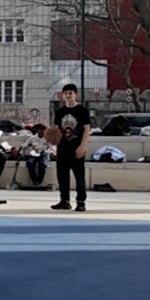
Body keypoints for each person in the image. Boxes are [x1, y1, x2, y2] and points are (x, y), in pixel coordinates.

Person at [52, 83, 91, 212]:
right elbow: (57, 129)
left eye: (70, 93)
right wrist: (53, 141)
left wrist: (83, 145)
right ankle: (64, 200)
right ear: (63, 95)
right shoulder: (60, 112)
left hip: (76, 146)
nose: (68, 96)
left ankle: (81, 201)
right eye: (66, 93)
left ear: (75, 94)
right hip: (63, 147)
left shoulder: (82, 111)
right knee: (62, 175)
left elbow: (86, 129)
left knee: (79, 175)